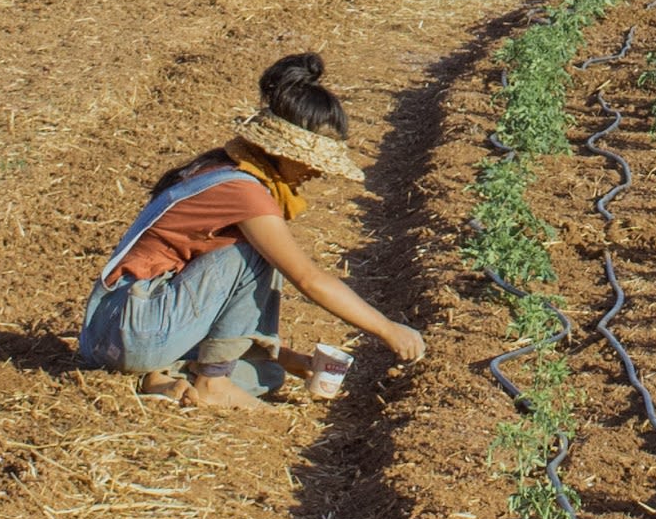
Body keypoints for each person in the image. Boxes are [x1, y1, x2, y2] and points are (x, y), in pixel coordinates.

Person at [76, 50, 426, 415]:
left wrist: (287, 358)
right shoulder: (244, 193)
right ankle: (212, 383)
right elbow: (308, 279)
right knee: (255, 255)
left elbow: (213, 299)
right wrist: (388, 329)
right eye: (313, 161)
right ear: (282, 149)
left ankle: (163, 377)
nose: (317, 173)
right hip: (134, 327)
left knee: (268, 376)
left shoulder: (220, 169)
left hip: (113, 332)